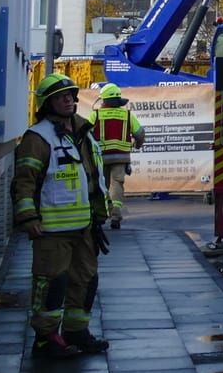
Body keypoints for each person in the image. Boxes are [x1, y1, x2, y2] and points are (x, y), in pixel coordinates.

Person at [13, 72, 111, 358]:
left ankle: (76, 332)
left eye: (70, 95)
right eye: (60, 97)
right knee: (52, 284)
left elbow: (92, 176)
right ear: (47, 104)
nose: (68, 100)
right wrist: (29, 218)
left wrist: (99, 215)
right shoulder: (38, 138)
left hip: (84, 227)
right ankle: (45, 340)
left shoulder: (83, 132)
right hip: (51, 229)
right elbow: (25, 181)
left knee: (85, 280)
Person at [93, 83, 147, 229]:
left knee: (100, 185)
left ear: (103, 100)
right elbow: (140, 134)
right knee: (116, 184)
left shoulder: (96, 114)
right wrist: (137, 145)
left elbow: (86, 133)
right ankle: (116, 215)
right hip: (120, 157)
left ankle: (100, 215)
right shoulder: (127, 115)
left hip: (101, 157)